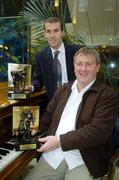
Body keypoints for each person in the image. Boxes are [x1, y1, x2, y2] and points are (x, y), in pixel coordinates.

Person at [24, 47, 118, 180]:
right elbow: (48, 116)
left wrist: (59, 141)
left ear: (97, 67)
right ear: (74, 67)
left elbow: (98, 132)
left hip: (85, 159)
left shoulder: (107, 95)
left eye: (88, 64)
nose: (83, 69)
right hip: (53, 154)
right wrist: (30, 127)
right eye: (79, 64)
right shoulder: (63, 90)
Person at [30, 17, 80, 100]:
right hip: (54, 103)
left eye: (56, 31)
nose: (52, 36)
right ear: (45, 34)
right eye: (49, 31)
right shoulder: (40, 56)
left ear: (62, 33)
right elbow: (38, 80)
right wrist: (31, 87)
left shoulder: (76, 52)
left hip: (75, 99)